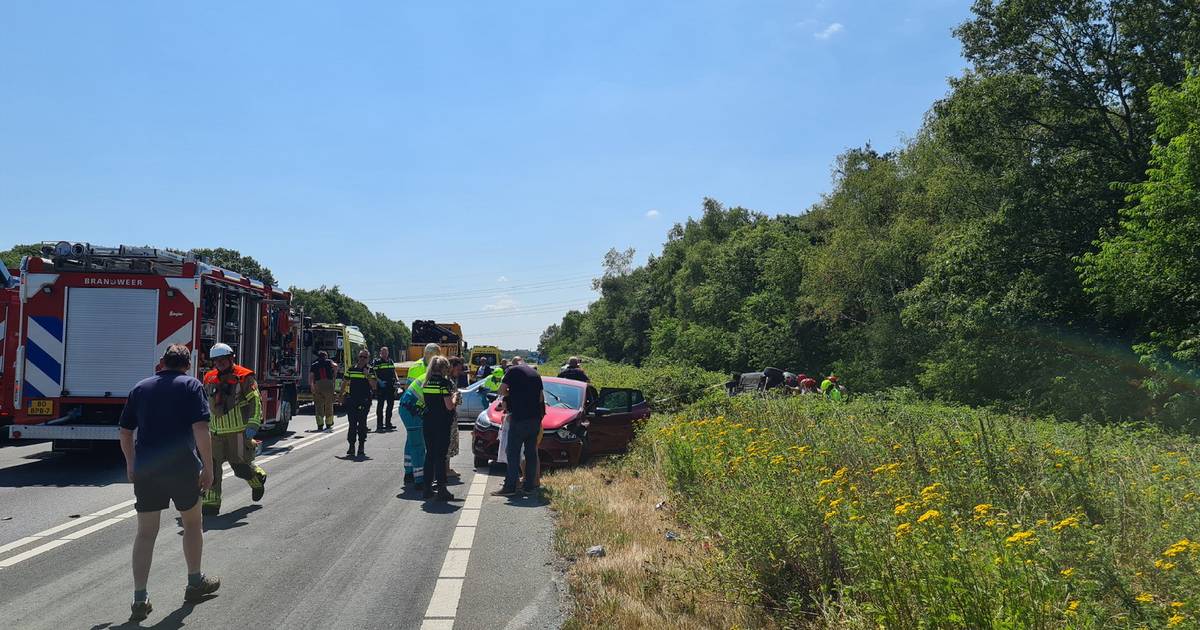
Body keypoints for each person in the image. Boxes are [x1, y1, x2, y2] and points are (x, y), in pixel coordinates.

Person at [119, 344, 221, 621]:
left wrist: (131, 464)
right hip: (182, 468)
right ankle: (194, 582)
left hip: (147, 470)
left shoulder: (140, 388)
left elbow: (125, 431)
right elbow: (201, 428)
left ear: (162, 362)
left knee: (145, 533)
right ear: (187, 365)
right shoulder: (192, 386)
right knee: (191, 524)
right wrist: (209, 467)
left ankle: (140, 597)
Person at [201, 343, 267, 515]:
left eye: (223, 359)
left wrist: (253, 423)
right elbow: (204, 402)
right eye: (216, 360)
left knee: (240, 467)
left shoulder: (245, 376)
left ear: (231, 358)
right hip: (215, 433)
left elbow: (255, 401)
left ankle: (256, 479)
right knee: (212, 467)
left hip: (238, 432)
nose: (220, 363)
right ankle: (211, 503)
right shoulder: (208, 377)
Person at [492, 358, 544, 497]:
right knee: (531, 453)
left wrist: (514, 395)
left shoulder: (512, 371)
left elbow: (501, 391)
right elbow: (540, 398)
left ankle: (510, 486)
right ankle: (529, 486)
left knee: (512, 452)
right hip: (534, 419)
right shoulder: (535, 374)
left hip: (519, 418)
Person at [421, 356, 460, 501]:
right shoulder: (444, 384)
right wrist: (454, 396)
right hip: (442, 423)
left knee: (429, 455)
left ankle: (427, 488)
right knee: (441, 456)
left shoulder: (427, 382)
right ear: (444, 368)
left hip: (428, 421)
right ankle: (442, 489)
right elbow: (449, 406)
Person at [344, 349, 378, 458]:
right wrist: (340, 396)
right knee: (352, 424)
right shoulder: (351, 369)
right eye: (361, 356)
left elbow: (374, 386)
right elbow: (345, 382)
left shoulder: (370, 370)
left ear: (368, 359)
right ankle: (351, 446)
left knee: (362, 424)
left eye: (365, 357)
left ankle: (361, 446)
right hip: (352, 400)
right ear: (358, 357)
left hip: (364, 400)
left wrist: (367, 375)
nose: (362, 359)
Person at [398, 368, 426, 489]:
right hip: (413, 411)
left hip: (407, 407)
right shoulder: (434, 379)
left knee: (411, 442)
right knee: (418, 445)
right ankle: (419, 478)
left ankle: (409, 472)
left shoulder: (425, 374)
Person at [446, 356, 465, 478]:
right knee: (447, 443)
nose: (459, 373)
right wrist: (457, 396)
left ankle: (446, 468)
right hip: (448, 417)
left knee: (448, 443)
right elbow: (452, 402)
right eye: (457, 370)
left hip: (448, 417)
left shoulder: (448, 380)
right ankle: (445, 470)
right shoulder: (448, 382)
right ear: (451, 367)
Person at [309, 350, 338, 431]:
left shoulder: (314, 365)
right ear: (326, 356)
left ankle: (320, 424)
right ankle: (328, 423)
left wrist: (312, 387)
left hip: (318, 384)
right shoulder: (329, 362)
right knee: (329, 404)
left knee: (319, 405)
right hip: (328, 384)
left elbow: (311, 377)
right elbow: (335, 366)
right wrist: (334, 375)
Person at [373, 346, 397, 432]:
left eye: (386, 352)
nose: (384, 354)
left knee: (390, 405)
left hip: (390, 386)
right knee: (380, 406)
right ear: (380, 353)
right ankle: (379, 425)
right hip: (381, 387)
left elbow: (394, 372)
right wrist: (379, 381)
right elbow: (374, 373)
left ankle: (388, 424)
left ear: (388, 353)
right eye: (383, 352)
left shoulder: (390, 361)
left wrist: (397, 381)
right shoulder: (377, 362)